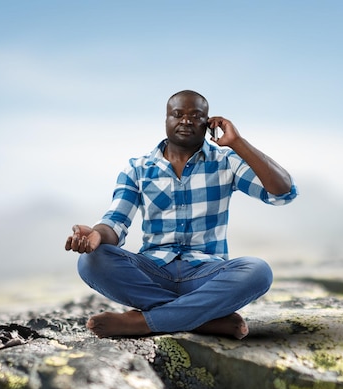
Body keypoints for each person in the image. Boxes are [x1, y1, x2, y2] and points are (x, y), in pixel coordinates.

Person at [65, 90, 297, 339]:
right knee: (91, 260)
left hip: (206, 274)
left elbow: (283, 193)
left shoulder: (226, 162)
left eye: (196, 116)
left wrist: (238, 143)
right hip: (153, 273)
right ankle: (201, 320)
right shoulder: (138, 168)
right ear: (166, 120)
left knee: (258, 270)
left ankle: (143, 322)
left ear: (208, 124)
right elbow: (115, 222)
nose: (186, 121)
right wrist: (96, 235)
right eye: (177, 114)